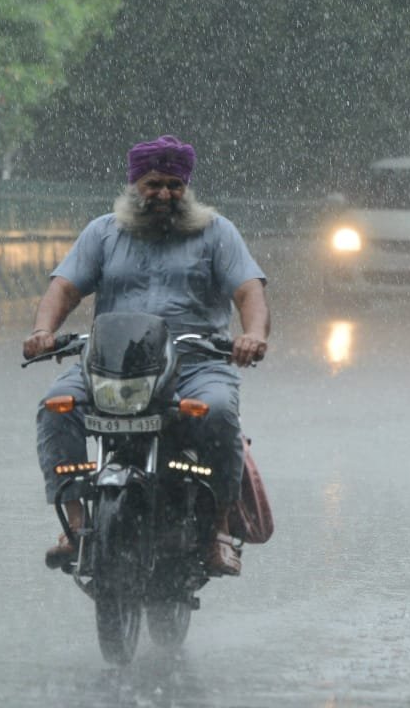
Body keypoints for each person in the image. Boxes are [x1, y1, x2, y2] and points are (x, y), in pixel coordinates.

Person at [22, 135, 269, 576]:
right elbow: (64, 287)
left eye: (174, 185)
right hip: (110, 368)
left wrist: (251, 335)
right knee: (55, 407)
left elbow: (249, 291)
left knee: (215, 414)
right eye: (153, 184)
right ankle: (76, 528)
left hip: (196, 366)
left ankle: (217, 531)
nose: (164, 195)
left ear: (187, 188)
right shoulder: (102, 232)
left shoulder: (217, 233)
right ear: (134, 184)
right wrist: (44, 331)